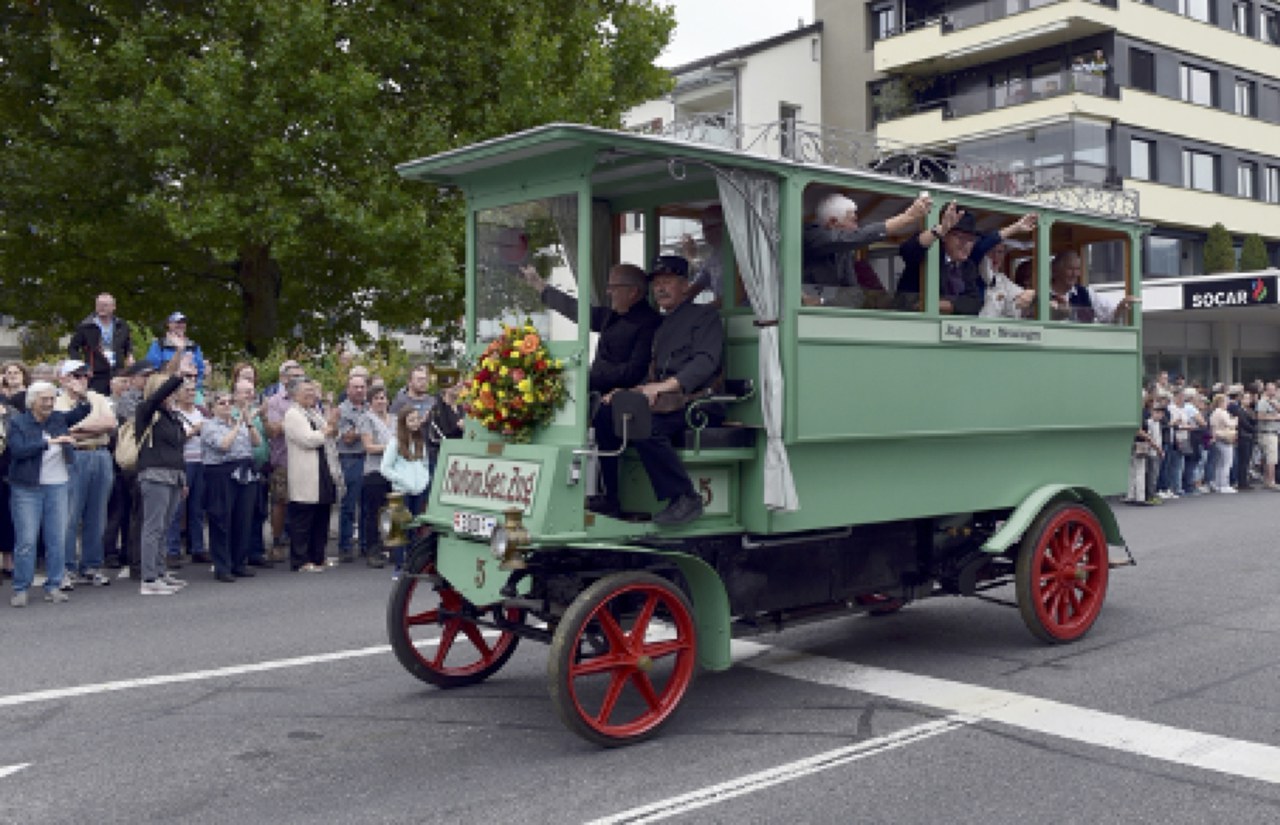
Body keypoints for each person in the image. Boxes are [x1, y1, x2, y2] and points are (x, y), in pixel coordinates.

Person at [594, 255, 723, 526]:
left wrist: (664, 387)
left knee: (646, 424)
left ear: (685, 286)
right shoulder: (663, 324)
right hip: (667, 400)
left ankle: (685, 498)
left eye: (668, 282)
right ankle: (612, 498)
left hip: (699, 403)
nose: (660, 289)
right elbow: (652, 372)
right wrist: (624, 392)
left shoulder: (704, 316)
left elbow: (705, 363)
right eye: (657, 284)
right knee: (605, 413)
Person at [6, 381, 91, 606]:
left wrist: (81, 395)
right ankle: (21, 588)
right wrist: (50, 442)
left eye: (52, 399)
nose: (49, 403)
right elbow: (17, 450)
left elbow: (82, 411)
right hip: (26, 487)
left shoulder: (58, 418)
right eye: (45, 399)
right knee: (26, 540)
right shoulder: (17, 422)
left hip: (58, 485)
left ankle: (53, 584)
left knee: (57, 538)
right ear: (32, 401)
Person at [519, 262, 660, 394]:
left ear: (633, 292)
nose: (608, 292)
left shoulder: (649, 323)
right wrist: (541, 286)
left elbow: (635, 371)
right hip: (595, 397)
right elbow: (576, 311)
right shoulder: (610, 316)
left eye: (613, 287)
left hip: (622, 405)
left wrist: (591, 377)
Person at [898, 203, 1037, 315]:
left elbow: (974, 303)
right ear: (945, 237)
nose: (966, 244)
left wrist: (944, 305)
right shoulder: (929, 255)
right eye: (960, 237)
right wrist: (939, 230)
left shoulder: (967, 266)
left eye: (971, 239)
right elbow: (908, 251)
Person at [803, 192, 931, 308]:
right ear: (832, 223)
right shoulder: (811, 236)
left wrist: (822, 300)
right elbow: (856, 237)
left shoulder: (844, 252)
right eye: (853, 221)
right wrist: (907, 217)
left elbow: (855, 296)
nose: (856, 227)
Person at [55, 359, 117, 589]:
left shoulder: (98, 398)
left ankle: (91, 565)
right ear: (63, 378)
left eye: (84, 376)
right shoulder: (57, 400)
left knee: (97, 514)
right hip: (74, 456)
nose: (81, 380)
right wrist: (90, 427)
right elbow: (60, 429)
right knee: (70, 515)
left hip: (100, 454)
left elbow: (109, 423)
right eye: (75, 375)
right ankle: (67, 567)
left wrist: (78, 429)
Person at [135, 369, 194, 595]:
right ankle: (149, 578)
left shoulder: (171, 416)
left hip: (173, 475)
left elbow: (178, 450)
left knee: (165, 526)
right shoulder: (146, 411)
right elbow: (156, 397)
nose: (173, 393)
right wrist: (177, 376)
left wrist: (183, 479)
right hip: (155, 474)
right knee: (153, 527)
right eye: (169, 389)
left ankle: (160, 572)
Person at [202, 389, 261, 582]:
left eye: (229, 402)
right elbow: (223, 445)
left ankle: (239, 563)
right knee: (221, 520)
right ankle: (222, 566)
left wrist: (249, 422)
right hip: (221, 474)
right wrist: (236, 425)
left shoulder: (241, 424)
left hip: (244, 472)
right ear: (212, 408)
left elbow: (257, 442)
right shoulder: (209, 426)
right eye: (222, 403)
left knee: (243, 519)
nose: (227, 406)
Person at [284, 379, 343, 573]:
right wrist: (327, 429)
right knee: (303, 518)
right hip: (305, 472)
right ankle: (301, 560)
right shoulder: (292, 414)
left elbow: (332, 433)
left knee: (321, 515)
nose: (312, 394)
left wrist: (331, 425)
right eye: (306, 391)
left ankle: (318, 557)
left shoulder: (314, 412)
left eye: (313, 390)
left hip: (323, 470)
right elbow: (309, 439)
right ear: (295, 394)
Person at [381, 406, 431, 575]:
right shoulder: (395, 442)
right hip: (403, 492)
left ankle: (413, 564)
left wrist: (424, 481)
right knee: (401, 529)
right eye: (411, 420)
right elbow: (385, 468)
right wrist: (402, 480)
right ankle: (399, 566)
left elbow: (424, 464)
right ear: (403, 422)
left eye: (417, 419)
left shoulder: (420, 441)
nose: (415, 423)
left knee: (415, 528)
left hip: (419, 490)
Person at [265, 363, 305, 558]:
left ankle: (300, 542)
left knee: (303, 502)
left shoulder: (309, 399)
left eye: (301, 376)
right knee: (281, 501)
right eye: (294, 376)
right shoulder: (275, 401)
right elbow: (273, 430)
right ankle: (277, 540)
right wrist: (294, 419)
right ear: (284, 379)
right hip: (284, 459)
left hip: (306, 460)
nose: (298, 379)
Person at [166, 380, 208, 565]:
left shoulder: (202, 412)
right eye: (187, 390)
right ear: (177, 393)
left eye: (193, 390)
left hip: (201, 461)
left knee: (197, 507)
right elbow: (175, 440)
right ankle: (172, 549)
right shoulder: (173, 414)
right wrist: (194, 430)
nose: (191, 393)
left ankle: (197, 547)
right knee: (177, 508)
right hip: (183, 463)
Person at [68, 293, 133, 395]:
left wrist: (130, 355)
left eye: (105, 305)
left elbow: (127, 344)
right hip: (95, 374)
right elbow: (73, 348)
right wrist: (81, 367)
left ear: (113, 307)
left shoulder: (122, 325)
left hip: (117, 373)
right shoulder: (86, 326)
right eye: (99, 305)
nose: (101, 308)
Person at [358, 386, 394, 568]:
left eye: (383, 398)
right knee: (374, 513)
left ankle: (393, 548)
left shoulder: (394, 419)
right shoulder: (366, 419)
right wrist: (390, 447)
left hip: (394, 472)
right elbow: (369, 446)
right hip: (375, 471)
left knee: (394, 511)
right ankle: (373, 549)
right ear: (371, 402)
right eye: (377, 398)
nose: (381, 401)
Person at [1048, 250, 1136, 323]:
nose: (1075, 274)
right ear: (1055, 270)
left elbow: (1109, 315)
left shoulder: (1087, 293)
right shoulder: (1042, 294)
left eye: (1077, 269)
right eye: (1070, 269)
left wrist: (1120, 307)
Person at [335, 372, 369, 563]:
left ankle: (366, 545)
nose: (359, 390)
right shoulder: (341, 410)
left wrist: (359, 430)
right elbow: (347, 438)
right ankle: (345, 546)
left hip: (369, 458)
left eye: (362, 387)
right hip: (350, 459)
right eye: (355, 387)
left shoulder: (369, 407)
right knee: (348, 505)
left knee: (368, 505)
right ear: (348, 390)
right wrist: (366, 429)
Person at [144, 311, 207, 391]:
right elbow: (151, 368)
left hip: (189, 388)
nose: (180, 325)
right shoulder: (159, 344)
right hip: (166, 387)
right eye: (177, 322)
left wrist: (198, 390)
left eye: (183, 322)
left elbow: (200, 371)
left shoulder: (193, 346)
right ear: (169, 324)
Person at [680, 204, 726, 306]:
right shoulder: (714, 255)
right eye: (704, 228)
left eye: (711, 227)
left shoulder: (737, 254)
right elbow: (700, 282)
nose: (706, 233)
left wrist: (704, 310)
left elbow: (735, 297)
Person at [978, 242, 1037, 319]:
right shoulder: (973, 276)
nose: (995, 256)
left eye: (1000, 252)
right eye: (990, 251)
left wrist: (1031, 294)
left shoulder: (1002, 280)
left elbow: (1020, 295)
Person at [1209, 394, 1238, 494]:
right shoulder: (1222, 412)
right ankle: (1224, 485)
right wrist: (1235, 420)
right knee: (1227, 463)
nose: (1227, 404)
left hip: (1217, 437)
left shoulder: (1214, 413)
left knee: (1220, 463)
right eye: (1226, 402)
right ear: (1221, 403)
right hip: (1225, 438)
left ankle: (1218, 483)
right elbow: (1230, 424)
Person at [1228, 385, 1256, 491]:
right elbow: (1243, 424)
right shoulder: (1239, 410)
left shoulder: (1248, 410)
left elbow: (1253, 420)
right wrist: (1254, 429)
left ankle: (1244, 480)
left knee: (1247, 460)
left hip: (1248, 436)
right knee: (1243, 460)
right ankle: (1242, 482)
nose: (1248, 401)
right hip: (1243, 436)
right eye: (1246, 398)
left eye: (1249, 399)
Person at [1255, 382, 1280, 489]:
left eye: (1274, 389)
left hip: (1273, 432)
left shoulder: (1274, 402)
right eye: (1271, 390)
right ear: (1267, 390)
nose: (1273, 392)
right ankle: (1271, 481)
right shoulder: (1263, 402)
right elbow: (1260, 416)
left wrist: (1275, 405)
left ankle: (1267, 481)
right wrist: (1274, 417)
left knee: (1268, 458)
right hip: (1267, 432)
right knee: (1271, 459)